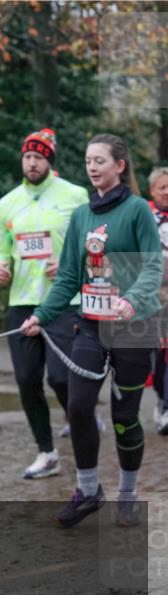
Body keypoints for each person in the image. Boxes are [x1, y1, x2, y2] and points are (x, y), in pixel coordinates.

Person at [22, 133, 161, 528]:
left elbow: (153, 266)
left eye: (100, 160)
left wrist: (132, 300)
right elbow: (67, 277)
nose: (92, 167)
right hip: (91, 325)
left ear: (120, 165)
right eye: (87, 161)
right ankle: (87, 491)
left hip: (135, 326)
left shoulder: (137, 211)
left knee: (125, 418)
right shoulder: (81, 216)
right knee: (79, 406)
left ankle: (129, 494)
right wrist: (42, 315)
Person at [0, 128, 94, 480]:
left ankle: (81, 417)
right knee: (26, 378)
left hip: (64, 300)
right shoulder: (8, 202)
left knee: (61, 378)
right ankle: (47, 452)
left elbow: (93, 240)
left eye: (39, 157)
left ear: (50, 160)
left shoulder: (75, 195)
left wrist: (70, 263)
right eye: (27, 157)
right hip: (21, 301)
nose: (32, 163)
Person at [146, 166, 168, 432]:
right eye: (162, 187)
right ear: (152, 190)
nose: (167, 191)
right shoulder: (145, 216)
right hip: (151, 297)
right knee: (157, 353)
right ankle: (162, 400)